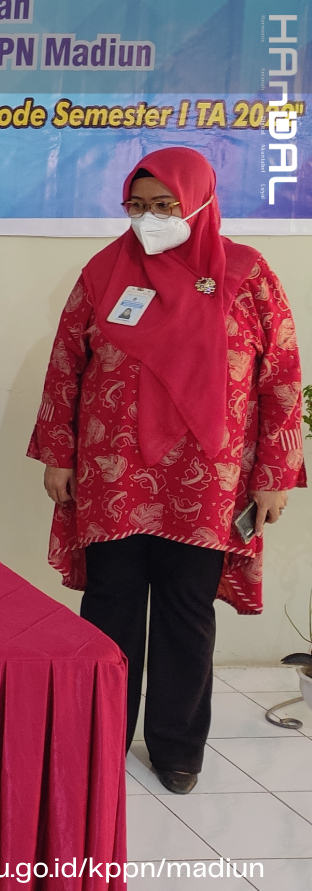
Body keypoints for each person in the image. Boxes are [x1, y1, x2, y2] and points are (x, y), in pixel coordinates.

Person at [29, 147, 305, 794]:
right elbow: (66, 366)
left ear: (200, 203)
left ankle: (178, 749)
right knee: (111, 607)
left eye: (164, 206)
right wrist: (59, 454)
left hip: (206, 482)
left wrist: (273, 474)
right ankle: (99, 738)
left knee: (186, 612)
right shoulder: (105, 272)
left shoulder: (247, 274)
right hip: (113, 475)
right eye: (137, 206)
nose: (149, 219)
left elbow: (282, 377)